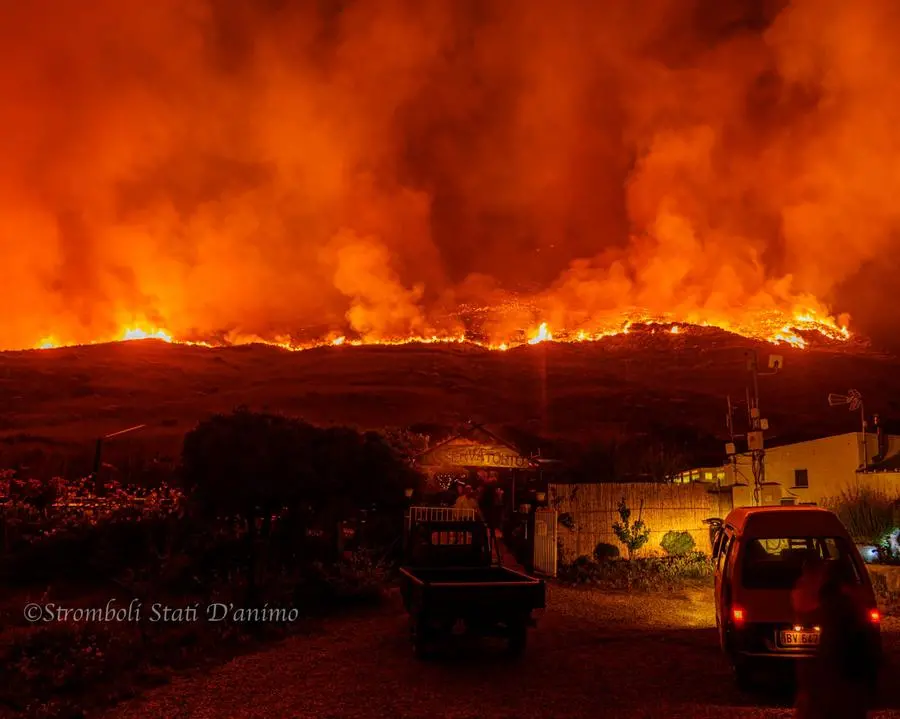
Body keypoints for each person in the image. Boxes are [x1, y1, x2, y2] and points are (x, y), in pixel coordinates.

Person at [794, 561, 875, 718]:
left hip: (841, 683)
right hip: (848, 682)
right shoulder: (852, 603)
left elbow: (833, 649)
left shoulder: (837, 606)